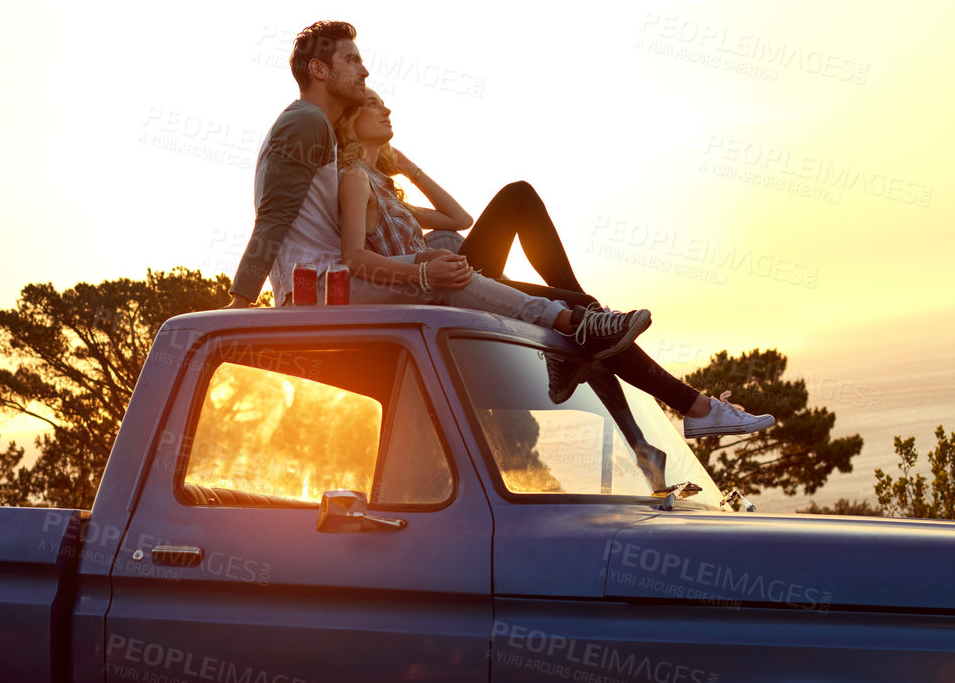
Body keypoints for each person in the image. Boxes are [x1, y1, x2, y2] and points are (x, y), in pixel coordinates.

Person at [336, 88, 775, 439]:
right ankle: (688, 410)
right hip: (437, 286)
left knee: (581, 307)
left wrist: (407, 166)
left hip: (455, 275)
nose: (387, 108)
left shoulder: (386, 187)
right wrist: (423, 273)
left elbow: (458, 219)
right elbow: (354, 256)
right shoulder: (354, 178)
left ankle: (656, 428)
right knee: (520, 199)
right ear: (351, 121)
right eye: (373, 104)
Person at [228, 21, 650, 364]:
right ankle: (576, 323)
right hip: (316, 291)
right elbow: (274, 217)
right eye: (352, 60)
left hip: (334, 282)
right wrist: (239, 305)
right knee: (445, 277)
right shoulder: (305, 121)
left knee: (444, 251)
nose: (364, 71)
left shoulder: (324, 134)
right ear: (319, 70)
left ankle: (575, 322)